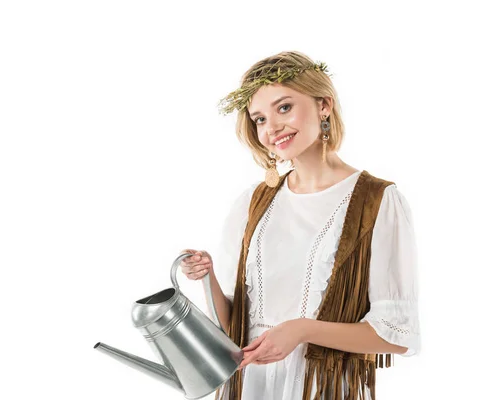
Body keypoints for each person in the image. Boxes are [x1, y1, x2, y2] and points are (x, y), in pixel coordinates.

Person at [180, 51, 420, 400]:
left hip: (320, 387)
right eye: (259, 118)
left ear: (324, 105)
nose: (271, 128)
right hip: (250, 386)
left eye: (284, 108)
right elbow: (235, 324)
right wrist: (207, 278)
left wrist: (301, 330)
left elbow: (397, 334)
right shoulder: (253, 202)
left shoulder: (377, 201)